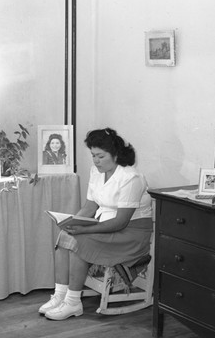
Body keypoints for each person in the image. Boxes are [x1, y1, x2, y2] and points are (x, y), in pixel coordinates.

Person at [39, 127, 153, 321]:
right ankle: (60, 295)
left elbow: (120, 222)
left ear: (115, 155)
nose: (96, 161)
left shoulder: (131, 178)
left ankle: (73, 302)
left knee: (80, 242)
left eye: (100, 156)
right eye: (93, 156)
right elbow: (90, 206)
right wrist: (72, 222)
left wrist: (85, 229)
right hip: (105, 225)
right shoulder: (97, 172)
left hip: (130, 233)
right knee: (65, 236)